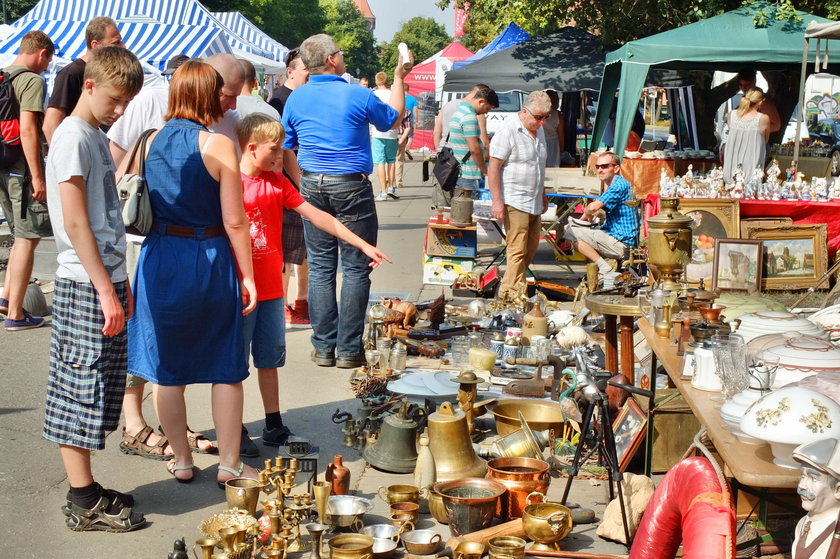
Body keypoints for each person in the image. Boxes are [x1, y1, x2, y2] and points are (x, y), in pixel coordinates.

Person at [125, 59, 258, 484]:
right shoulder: (218, 145)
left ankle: (181, 460)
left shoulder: (148, 141)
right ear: (207, 95)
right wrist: (248, 275)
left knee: (168, 368)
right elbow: (236, 221)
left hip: (159, 257)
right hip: (210, 257)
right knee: (226, 365)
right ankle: (229, 465)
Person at [237, 113, 389, 446]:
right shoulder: (231, 182)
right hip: (239, 292)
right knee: (234, 367)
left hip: (271, 290)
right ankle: (235, 427)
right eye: (275, 150)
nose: (282, 157)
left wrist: (363, 244)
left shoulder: (276, 183)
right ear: (251, 148)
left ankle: (273, 423)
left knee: (269, 359)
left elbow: (319, 216)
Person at [43, 46, 146, 532]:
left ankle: (86, 488)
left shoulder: (90, 135)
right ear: (88, 85)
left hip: (103, 275)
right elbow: (77, 223)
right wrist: (107, 289)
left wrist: (116, 283)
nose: (120, 110)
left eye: (128, 102)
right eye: (115, 99)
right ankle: (82, 498)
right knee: (78, 389)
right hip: (85, 281)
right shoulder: (72, 139)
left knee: (98, 386)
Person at [282, 33, 409, 369]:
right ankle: (349, 349)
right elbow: (392, 120)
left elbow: (288, 143)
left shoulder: (297, 98)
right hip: (349, 185)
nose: (342, 56)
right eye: (339, 52)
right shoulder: (356, 93)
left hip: (312, 182)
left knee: (322, 268)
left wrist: (302, 181)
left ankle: (324, 347)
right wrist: (399, 78)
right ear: (330, 60)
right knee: (355, 268)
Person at [0, 31, 54, 331]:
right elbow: (29, 130)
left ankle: (8, 297)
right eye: (48, 60)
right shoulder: (32, 81)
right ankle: (16, 315)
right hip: (20, 168)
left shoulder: (2, 75)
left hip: (1, 166)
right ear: (41, 53)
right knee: (28, 237)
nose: (47, 66)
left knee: (17, 233)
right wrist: (37, 175)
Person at [488, 91, 550, 299]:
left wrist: (542, 194)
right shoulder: (508, 131)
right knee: (517, 249)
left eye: (545, 117)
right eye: (538, 117)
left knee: (531, 248)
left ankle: (516, 287)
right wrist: (497, 201)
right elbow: (494, 167)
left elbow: (538, 166)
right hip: (514, 198)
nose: (542, 122)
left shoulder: (538, 130)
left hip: (533, 198)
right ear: (524, 112)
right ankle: (508, 294)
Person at [267, 48, 312, 328]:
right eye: (305, 71)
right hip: (285, 184)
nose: (309, 76)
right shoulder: (278, 101)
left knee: (302, 249)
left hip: (298, 180)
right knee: (285, 249)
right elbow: (282, 148)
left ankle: (301, 301)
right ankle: (283, 304)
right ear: (291, 72)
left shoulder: (302, 98)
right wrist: (298, 184)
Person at [42, 17, 124, 143]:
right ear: (95, 45)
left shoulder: (105, 73)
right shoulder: (71, 74)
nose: (122, 46)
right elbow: (50, 124)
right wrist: (64, 156)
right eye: (116, 43)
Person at [563, 152, 638, 285]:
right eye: (597, 166)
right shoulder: (618, 183)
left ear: (616, 168)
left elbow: (592, 207)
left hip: (622, 243)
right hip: (619, 237)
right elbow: (613, 210)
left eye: (604, 166)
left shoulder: (618, 185)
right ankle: (601, 268)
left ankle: (604, 268)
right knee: (575, 235)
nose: (599, 170)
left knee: (570, 231)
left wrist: (586, 214)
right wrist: (599, 214)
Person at [431, 84, 491, 207]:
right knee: (465, 207)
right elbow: (483, 142)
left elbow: (436, 133)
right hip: (467, 165)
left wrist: (441, 154)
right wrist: (485, 164)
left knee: (445, 205)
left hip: (445, 159)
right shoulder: (476, 112)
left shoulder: (448, 105)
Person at [791, 438, 840, 558]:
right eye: (803, 475)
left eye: (813, 478)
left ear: (838, 490)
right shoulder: (803, 523)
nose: (801, 485)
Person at [448, 86, 499, 192]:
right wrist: (484, 170)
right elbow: (474, 149)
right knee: (469, 206)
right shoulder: (469, 117)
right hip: (468, 174)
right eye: (487, 108)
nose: (486, 113)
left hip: (461, 171)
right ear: (481, 102)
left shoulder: (460, 111)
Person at [722, 87, 769, 182]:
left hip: (732, 169)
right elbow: (766, 139)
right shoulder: (764, 118)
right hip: (752, 168)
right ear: (760, 103)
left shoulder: (732, 114)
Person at [371, 71, 399, 201]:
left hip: (377, 132)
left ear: (377, 81)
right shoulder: (393, 94)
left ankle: (383, 192)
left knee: (380, 162)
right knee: (391, 161)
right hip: (392, 131)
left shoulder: (374, 95)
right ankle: (392, 187)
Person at [394, 83, 418, 192]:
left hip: (392, 133)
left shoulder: (393, 103)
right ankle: (398, 181)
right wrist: (416, 121)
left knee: (390, 159)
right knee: (400, 159)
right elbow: (416, 111)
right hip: (405, 129)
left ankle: (389, 181)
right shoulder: (413, 100)